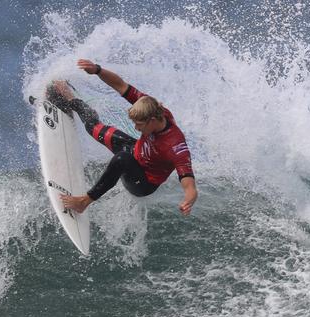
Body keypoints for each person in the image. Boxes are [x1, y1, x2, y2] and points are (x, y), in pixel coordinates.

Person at [49, 59, 198, 215]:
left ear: (152, 120)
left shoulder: (175, 146)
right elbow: (120, 85)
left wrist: (188, 201)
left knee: (122, 159)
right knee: (95, 128)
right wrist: (98, 70)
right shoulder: (149, 106)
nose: (136, 128)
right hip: (135, 151)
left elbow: (189, 186)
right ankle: (69, 98)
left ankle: (83, 202)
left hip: (143, 182)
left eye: (139, 125)